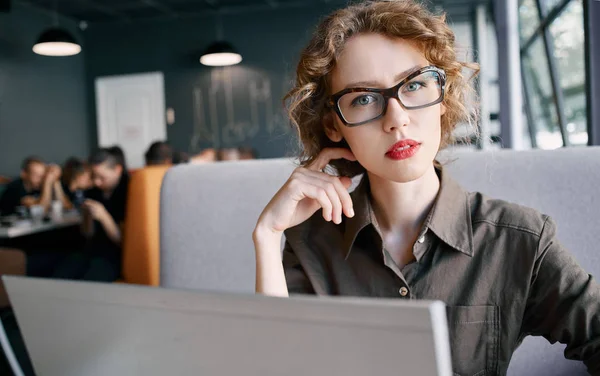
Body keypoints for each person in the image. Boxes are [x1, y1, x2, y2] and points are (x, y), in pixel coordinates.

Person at [253, 2, 600, 375]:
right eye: (364, 99)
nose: (397, 119)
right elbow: (279, 365)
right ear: (334, 126)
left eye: (415, 84)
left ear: (442, 98)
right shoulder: (311, 243)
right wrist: (268, 235)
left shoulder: (521, 239)